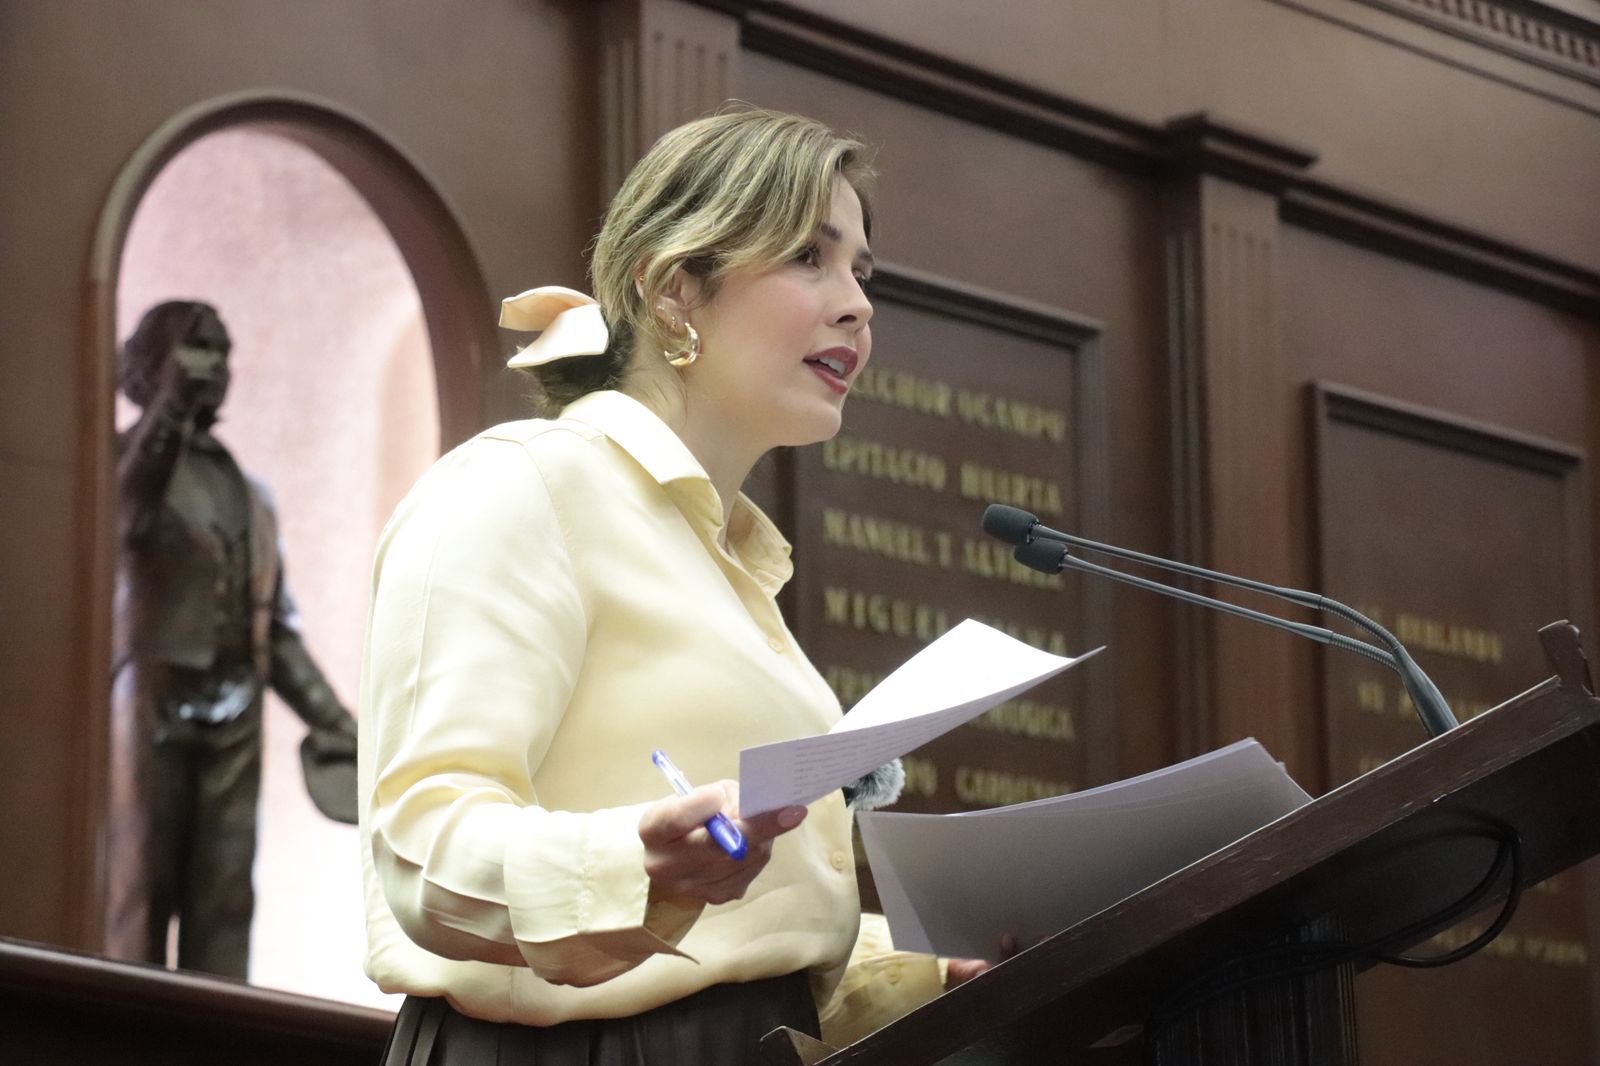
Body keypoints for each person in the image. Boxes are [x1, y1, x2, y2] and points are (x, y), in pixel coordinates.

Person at [359, 108, 986, 1065]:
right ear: (674, 289)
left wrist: (919, 976)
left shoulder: (726, 557)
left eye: (863, 272)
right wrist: (634, 861)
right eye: (809, 258)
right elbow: (421, 842)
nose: (858, 305)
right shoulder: (523, 485)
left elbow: (731, 951)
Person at [109, 300, 360, 978]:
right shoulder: (124, 458)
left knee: (225, 897)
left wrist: (336, 723)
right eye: (197, 347)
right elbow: (125, 518)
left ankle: (216, 1028)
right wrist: (167, 409)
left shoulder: (249, 493)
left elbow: (273, 628)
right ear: (151, 364)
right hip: (151, 702)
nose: (215, 365)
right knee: (138, 886)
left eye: (223, 351)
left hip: (236, 709)